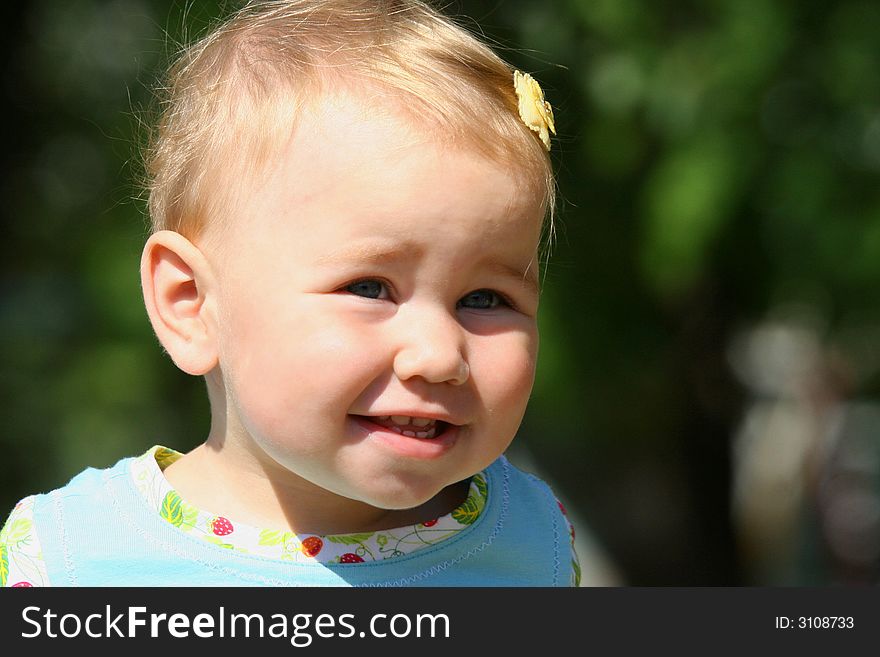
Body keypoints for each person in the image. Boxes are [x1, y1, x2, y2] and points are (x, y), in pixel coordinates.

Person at [0, 0, 578, 586]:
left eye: (484, 299)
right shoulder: (74, 561)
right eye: (370, 287)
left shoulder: (532, 542)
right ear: (193, 304)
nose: (438, 355)